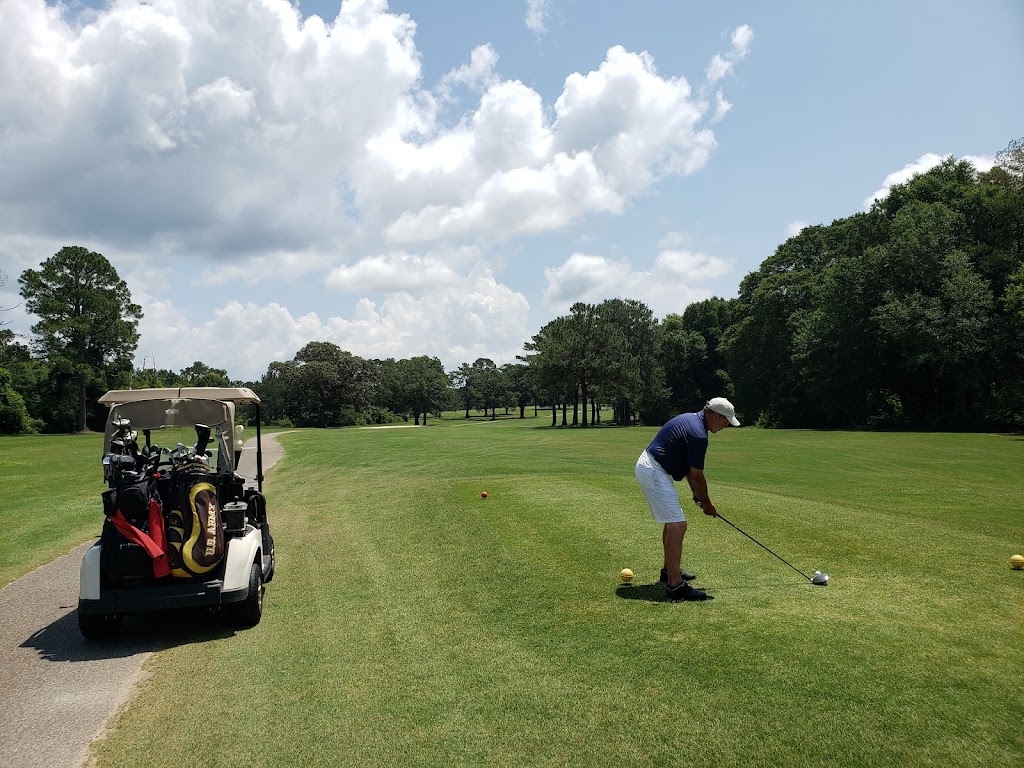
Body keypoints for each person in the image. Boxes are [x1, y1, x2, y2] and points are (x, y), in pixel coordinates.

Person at [634, 397, 739, 601]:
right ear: (715, 415)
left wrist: (697, 496)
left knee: (672, 522)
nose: (726, 425)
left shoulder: (692, 420)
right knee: (678, 525)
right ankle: (675, 585)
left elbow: (692, 474)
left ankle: (668, 571)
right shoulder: (699, 434)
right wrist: (707, 504)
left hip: (652, 466)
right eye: (726, 421)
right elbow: (697, 474)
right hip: (654, 469)